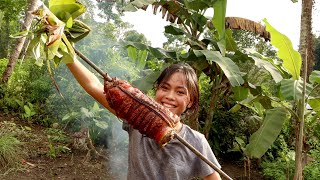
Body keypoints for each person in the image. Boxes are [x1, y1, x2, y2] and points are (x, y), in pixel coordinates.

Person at [66, 58, 222, 180]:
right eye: (164, 88)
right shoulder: (138, 118)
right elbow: (93, 85)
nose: (169, 96)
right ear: (157, 89)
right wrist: (66, 53)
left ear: (190, 101)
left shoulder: (196, 141)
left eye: (180, 92)